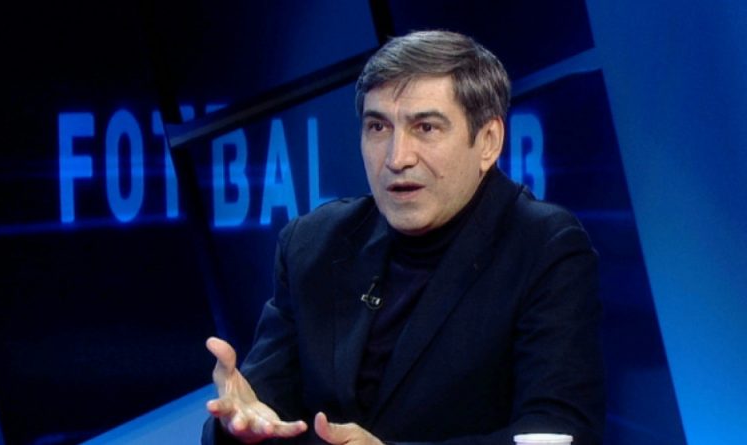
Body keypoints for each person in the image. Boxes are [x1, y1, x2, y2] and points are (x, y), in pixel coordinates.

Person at [202, 30, 605, 445]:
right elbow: (261, 409)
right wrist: (237, 426)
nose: (397, 158)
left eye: (426, 127)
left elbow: (561, 433)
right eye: (378, 127)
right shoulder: (313, 243)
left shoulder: (544, 247)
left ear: (488, 142)